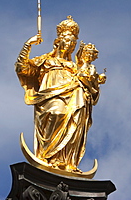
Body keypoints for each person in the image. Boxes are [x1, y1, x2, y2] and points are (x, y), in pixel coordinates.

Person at [15, 16, 105, 173]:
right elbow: (22, 68)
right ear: (57, 41)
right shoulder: (46, 60)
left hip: (75, 97)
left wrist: (94, 82)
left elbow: (90, 86)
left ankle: (67, 163)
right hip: (51, 95)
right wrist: (28, 45)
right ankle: (47, 156)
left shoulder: (74, 66)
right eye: (67, 40)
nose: (70, 45)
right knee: (55, 113)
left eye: (73, 42)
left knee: (75, 122)